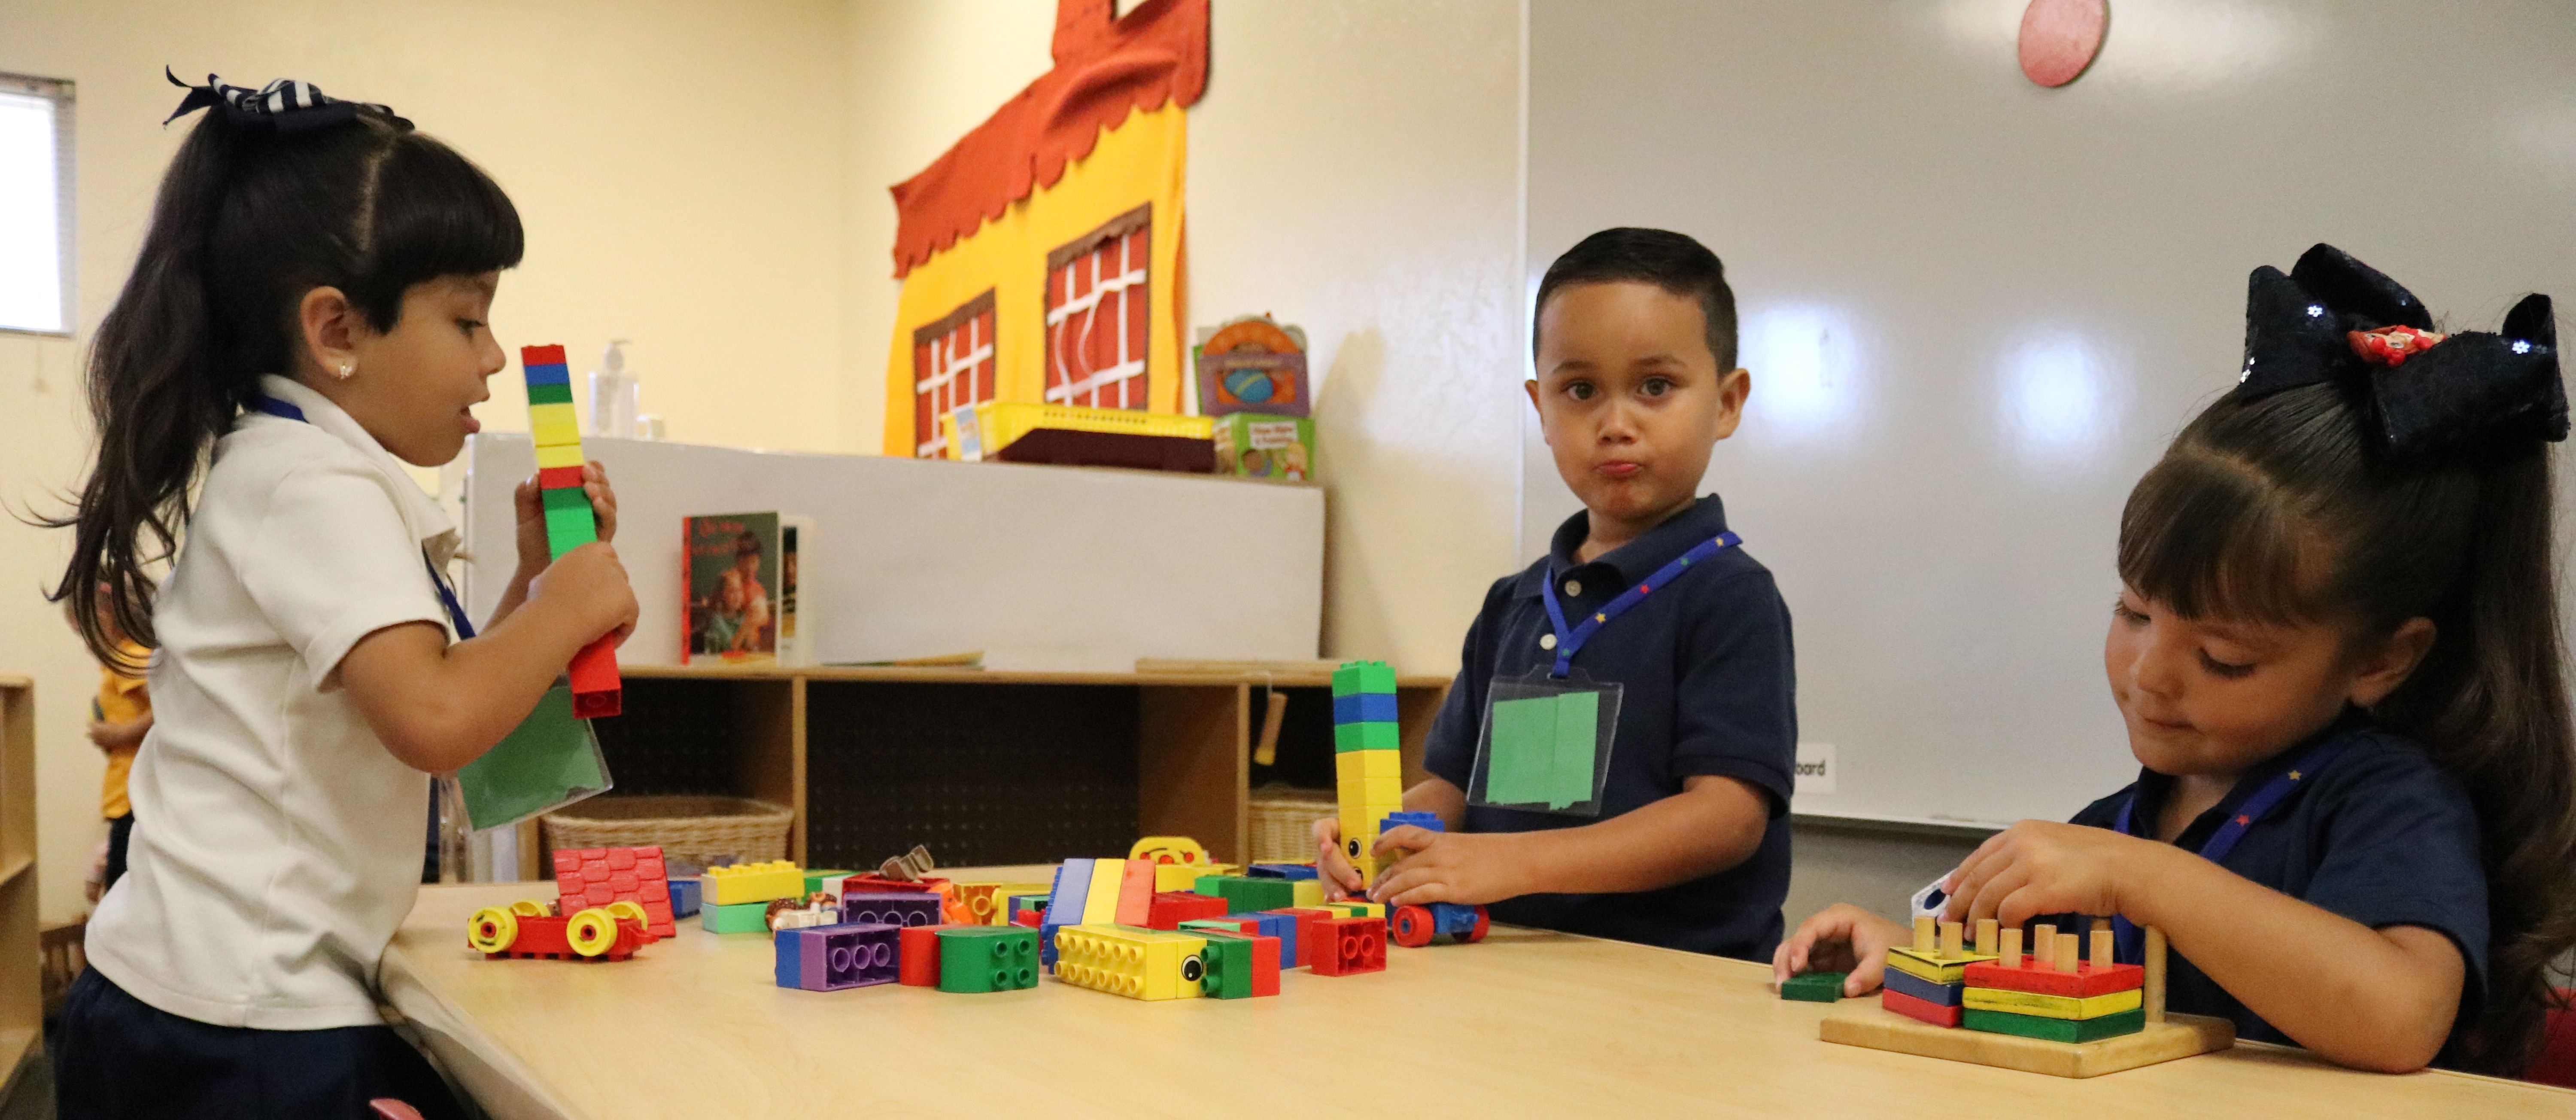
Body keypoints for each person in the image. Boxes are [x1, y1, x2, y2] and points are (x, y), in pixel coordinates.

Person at [1774, 244, 2576, 1076]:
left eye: (2225, 657)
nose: (2151, 672)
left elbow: (2402, 1016)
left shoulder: (2387, 802)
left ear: (2382, 659)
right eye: (2134, 612)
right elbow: (2048, 982)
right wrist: (1906, 949)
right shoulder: (2124, 821)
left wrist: (2142, 876)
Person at [43, 73, 638, 1116]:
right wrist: (565, 611)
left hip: (220, 1003)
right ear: (338, 330)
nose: (495, 358)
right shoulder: (311, 483)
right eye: (467, 319)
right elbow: (437, 718)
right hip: (234, 1022)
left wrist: (533, 585)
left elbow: (442, 699)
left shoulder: (307, 470)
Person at [1315, 228, 1796, 959]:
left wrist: (1509, 863)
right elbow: (1450, 789)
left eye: (1656, 387)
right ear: (1541, 408)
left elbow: (1726, 819)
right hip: (1511, 960)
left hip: (1677, 985)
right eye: (1580, 391)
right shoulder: (1514, 603)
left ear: (1727, 403)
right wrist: (1377, 838)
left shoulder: (1731, 595)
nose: (1616, 423)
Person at [73, 587, 151, 901]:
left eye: (86, 631)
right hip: (127, 796)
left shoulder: (128, 657)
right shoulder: (121, 661)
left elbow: (164, 712)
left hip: (134, 795)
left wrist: (118, 736)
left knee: (122, 896)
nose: (88, 644)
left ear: (109, 616)